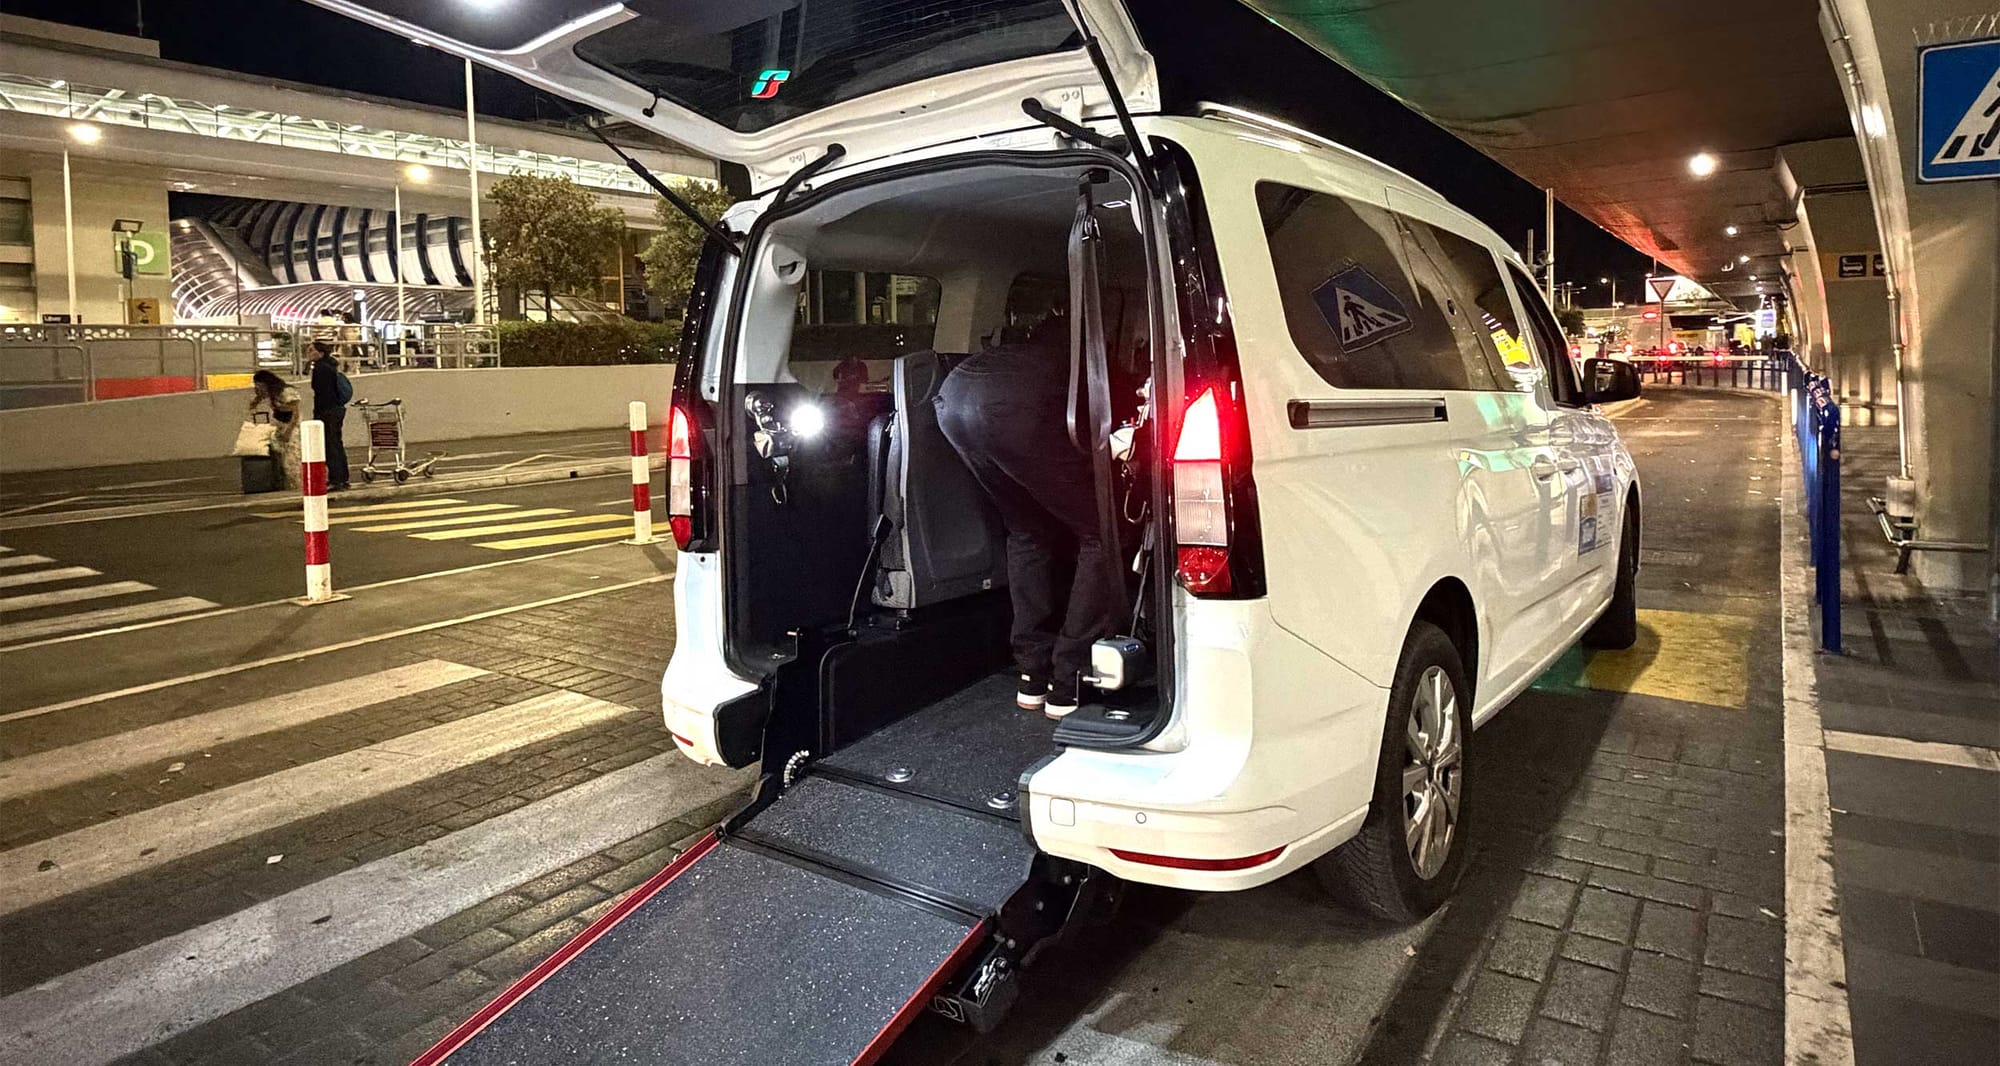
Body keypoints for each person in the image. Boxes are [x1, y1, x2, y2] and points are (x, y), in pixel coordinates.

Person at [935, 313, 1121, 719]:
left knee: (1027, 532)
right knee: (1102, 535)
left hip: (951, 400)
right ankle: (1068, 677)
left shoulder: (1027, 350)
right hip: (1014, 406)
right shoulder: (1087, 357)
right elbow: (1110, 423)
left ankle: (1031, 674)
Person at [307, 340, 352, 490]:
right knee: (336, 444)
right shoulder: (329, 366)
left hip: (327, 411)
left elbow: (322, 394)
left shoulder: (321, 368)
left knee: (329, 445)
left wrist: (318, 415)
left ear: (320, 353)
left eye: (311, 350)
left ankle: (336, 479)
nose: (308, 352)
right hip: (336, 409)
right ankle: (342, 477)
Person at [250, 370, 302, 489]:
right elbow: (259, 398)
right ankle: (287, 485)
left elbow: (296, 413)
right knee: (281, 459)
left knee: (292, 460)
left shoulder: (286, 392)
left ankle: (300, 487)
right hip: (279, 426)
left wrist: (288, 431)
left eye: (259, 385)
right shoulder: (269, 393)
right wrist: (255, 401)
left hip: (291, 426)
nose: (257, 388)